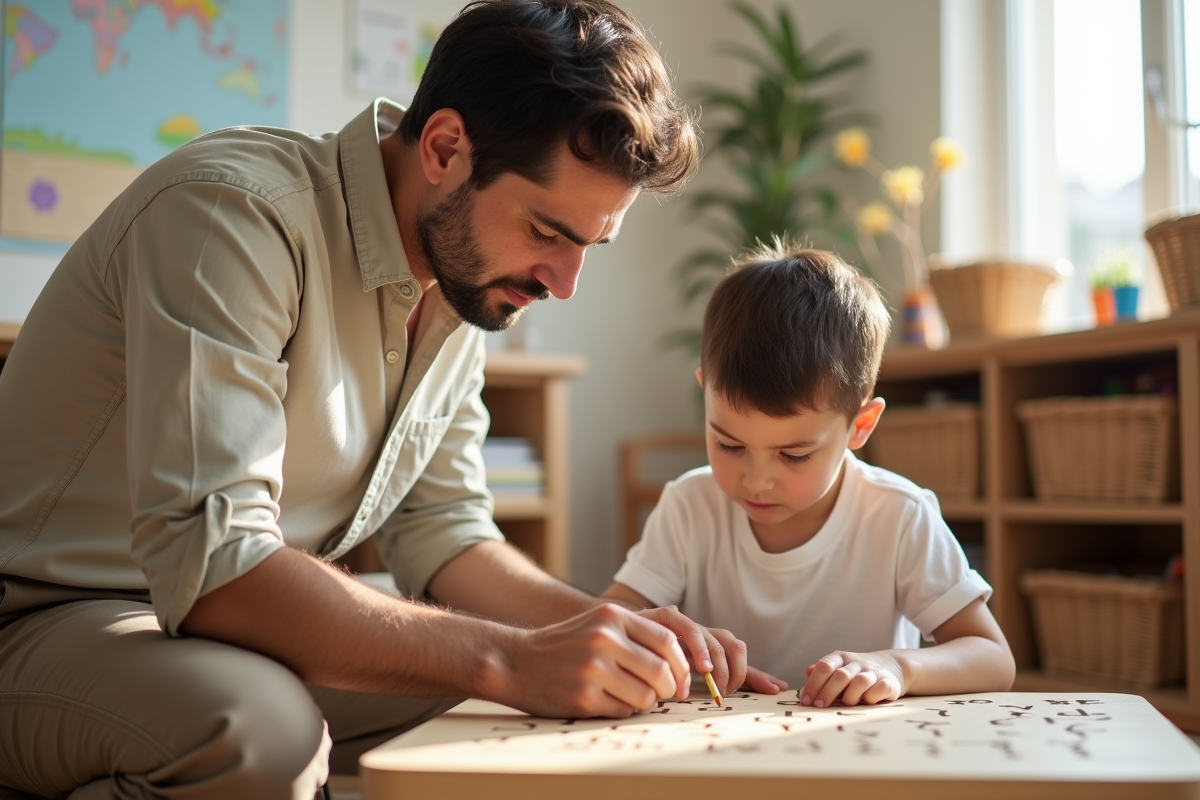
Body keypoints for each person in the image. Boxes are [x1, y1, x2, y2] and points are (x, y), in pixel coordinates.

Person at [0, 2, 755, 797]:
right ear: (445, 148)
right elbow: (218, 566)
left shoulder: (462, 282)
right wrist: (511, 658)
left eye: (588, 247)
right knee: (261, 736)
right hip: (47, 621)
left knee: (582, 705)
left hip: (217, 634)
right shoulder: (231, 215)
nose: (563, 285)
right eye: (546, 231)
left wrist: (598, 635)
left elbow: (445, 535)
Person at [603, 245, 1016, 707]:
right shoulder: (688, 504)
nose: (756, 480)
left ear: (859, 426)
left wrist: (897, 666)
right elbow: (613, 615)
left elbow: (994, 658)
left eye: (794, 454)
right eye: (729, 444)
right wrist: (657, 635)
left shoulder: (899, 516)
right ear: (706, 396)